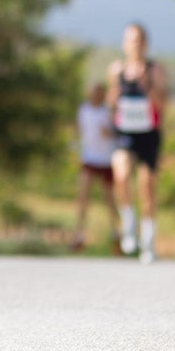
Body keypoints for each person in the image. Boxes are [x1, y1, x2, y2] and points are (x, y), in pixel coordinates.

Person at [106, 22, 168, 263]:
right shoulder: (116, 69)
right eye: (130, 40)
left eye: (139, 40)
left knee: (147, 187)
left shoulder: (155, 71)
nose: (135, 45)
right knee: (120, 174)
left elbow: (163, 105)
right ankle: (129, 224)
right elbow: (111, 102)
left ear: (146, 44)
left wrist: (148, 87)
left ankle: (148, 243)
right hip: (126, 133)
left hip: (149, 134)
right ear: (124, 43)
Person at [72, 82, 117, 252]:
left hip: (106, 160)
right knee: (83, 196)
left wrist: (109, 133)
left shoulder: (108, 112)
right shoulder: (83, 110)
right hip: (89, 159)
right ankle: (79, 234)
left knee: (109, 199)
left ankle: (116, 233)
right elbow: (78, 131)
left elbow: (117, 132)